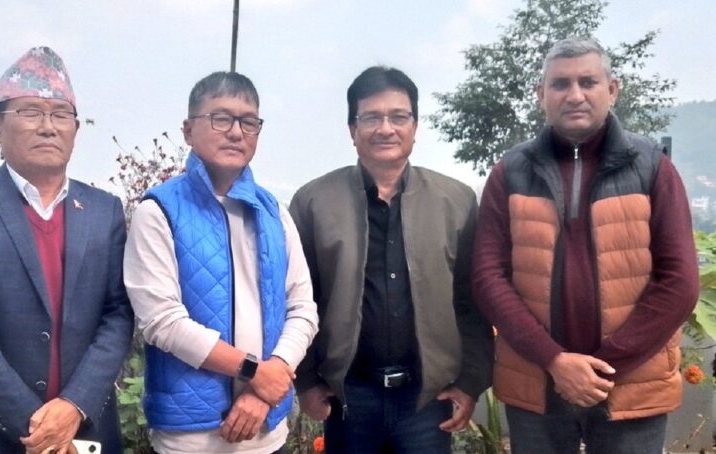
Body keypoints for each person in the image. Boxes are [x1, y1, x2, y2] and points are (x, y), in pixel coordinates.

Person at [472, 37, 699, 453]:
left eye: (588, 82)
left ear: (612, 89)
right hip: (537, 386)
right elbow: (488, 277)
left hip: (630, 387)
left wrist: (603, 367)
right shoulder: (510, 172)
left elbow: (680, 282)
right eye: (560, 84)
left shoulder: (652, 167)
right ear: (541, 95)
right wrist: (554, 360)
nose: (574, 95)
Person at [289, 66, 494, 453]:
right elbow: (299, 299)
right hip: (348, 397)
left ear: (415, 126)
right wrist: (307, 381)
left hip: (426, 401)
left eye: (398, 116)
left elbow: (472, 301)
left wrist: (470, 382)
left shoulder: (456, 201)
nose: (386, 128)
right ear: (352, 129)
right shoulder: (314, 202)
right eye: (371, 117)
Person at [0, 46, 135, 453]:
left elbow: (118, 314)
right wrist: (37, 427)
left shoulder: (104, 210)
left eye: (61, 115)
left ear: (75, 130)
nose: (48, 127)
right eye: (30, 112)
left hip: (84, 433)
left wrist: (73, 406)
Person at [123, 71, 318, 453]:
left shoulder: (274, 213)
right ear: (188, 130)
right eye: (221, 118)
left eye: (248, 122)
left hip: (268, 433)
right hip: (190, 439)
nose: (235, 132)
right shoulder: (158, 211)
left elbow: (302, 308)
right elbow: (163, 321)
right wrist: (254, 372)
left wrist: (268, 383)